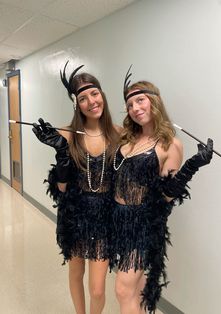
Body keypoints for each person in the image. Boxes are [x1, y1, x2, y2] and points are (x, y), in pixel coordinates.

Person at [111, 73, 213, 314]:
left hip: (142, 223)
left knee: (123, 290)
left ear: (154, 102)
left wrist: (191, 166)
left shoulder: (169, 144)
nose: (135, 108)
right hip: (116, 218)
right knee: (136, 287)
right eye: (129, 105)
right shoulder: (126, 137)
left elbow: (166, 196)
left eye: (140, 101)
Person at [32, 61, 120, 314]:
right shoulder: (67, 134)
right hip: (75, 214)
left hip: (104, 216)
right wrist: (61, 151)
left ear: (102, 94)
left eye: (95, 94)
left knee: (98, 289)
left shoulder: (118, 133)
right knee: (75, 272)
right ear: (76, 104)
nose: (92, 101)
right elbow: (61, 187)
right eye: (83, 98)